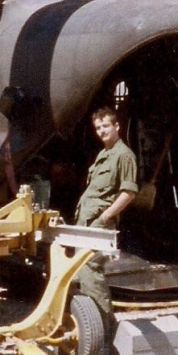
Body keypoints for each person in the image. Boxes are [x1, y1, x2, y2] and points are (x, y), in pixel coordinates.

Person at [75, 107, 138, 337]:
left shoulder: (124, 155)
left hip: (99, 224)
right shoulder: (104, 154)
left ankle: (102, 330)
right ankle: (94, 326)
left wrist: (105, 217)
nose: (101, 131)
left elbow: (128, 193)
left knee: (91, 271)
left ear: (117, 126)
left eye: (105, 126)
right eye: (98, 128)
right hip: (86, 222)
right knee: (82, 272)